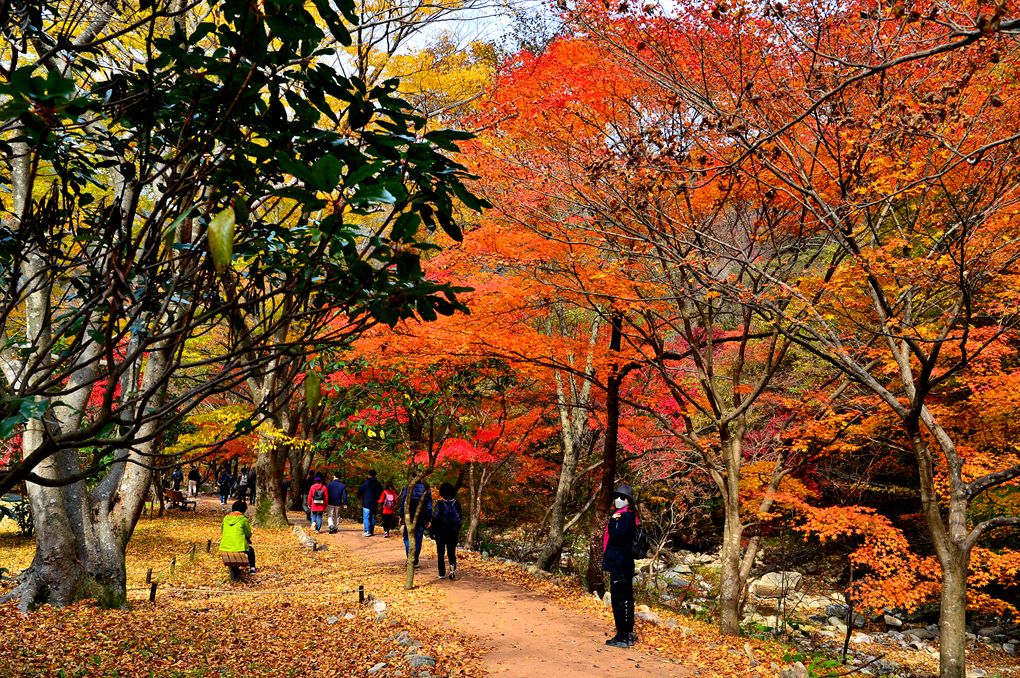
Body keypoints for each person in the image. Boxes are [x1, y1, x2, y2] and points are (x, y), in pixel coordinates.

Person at [603, 483, 638, 648]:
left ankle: (622, 636)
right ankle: (627, 634)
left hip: (619, 564)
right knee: (627, 600)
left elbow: (617, 538)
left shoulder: (624, 517)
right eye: (617, 497)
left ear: (628, 501)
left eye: (622, 497)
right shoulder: (631, 516)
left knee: (619, 600)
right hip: (625, 563)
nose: (618, 499)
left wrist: (611, 523)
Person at [430, 483, 462, 580]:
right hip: (453, 532)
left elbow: (435, 517)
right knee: (451, 551)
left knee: (441, 553)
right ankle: (452, 566)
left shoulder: (440, 503)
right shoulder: (457, 504)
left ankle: (442, 573)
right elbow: (460, 518)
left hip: (441, 531)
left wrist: (432, 530)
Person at [220, 500, 256, 578]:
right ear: (243, 510)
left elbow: (222, 531)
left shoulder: (226, 518)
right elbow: (248, 534)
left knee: (239, 550)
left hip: (225, 545)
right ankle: (252, 569)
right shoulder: (243, 519)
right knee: (251, 551)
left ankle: (232, 570)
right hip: (239, 546)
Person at [399, 478, 432, 566]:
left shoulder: (409, 487)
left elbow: (404, 502)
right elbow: (429, 505)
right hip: (422, 516)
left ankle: (410, 558)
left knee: (407, 537)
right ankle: (415, 560)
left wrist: (401, 515)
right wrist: (429, 519)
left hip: (409, 516)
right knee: (418, 538)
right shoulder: (426, 489)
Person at [356, 470, 383, 537]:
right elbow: (381, 493)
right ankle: (371, 531)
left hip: (366, 502)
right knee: (372, 517)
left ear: (368, 475)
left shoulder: (365, 483)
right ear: (375, 475)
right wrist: (379, 500)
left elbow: (359, 491)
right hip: (374, 502)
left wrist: (359, 497)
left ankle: (367, 531)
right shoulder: (378, 484)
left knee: (366, 517)